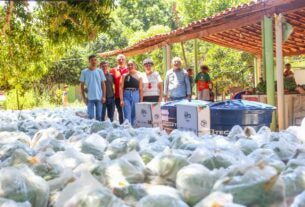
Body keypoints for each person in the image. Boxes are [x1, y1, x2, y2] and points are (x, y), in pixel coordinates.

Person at [80, 54, 106, 121]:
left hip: (99, 97)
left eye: (95, 60)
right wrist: (84, 98)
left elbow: (103, 84)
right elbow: (82, 86)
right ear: (89, 61)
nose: (94, 61)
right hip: (90, 98)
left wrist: (104, 96)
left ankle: (98, 131)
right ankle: (91, 131)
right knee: (90, 117)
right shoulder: (84, 72)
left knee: (99, 116)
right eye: (92, 60)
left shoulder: (100, 71)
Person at [120, 60, 143, 125]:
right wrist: (121, 100)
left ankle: (133, 130)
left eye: (131, 65)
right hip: (126, 95)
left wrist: (141, 100)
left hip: (136, 94)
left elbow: (141, 89)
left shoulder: (139, 76)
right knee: (127, 113)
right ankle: (127, 129)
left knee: (134, 114)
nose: (130, 66)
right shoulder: (124, 76)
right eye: (128, 65)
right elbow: (121, 88)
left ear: (135, 66)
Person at [111, 54, 128, 124]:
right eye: (119, 60)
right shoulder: (113, 70)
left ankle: (129, 126)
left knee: (127, 112)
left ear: (125, 60)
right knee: (120, 112)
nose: (121, 61)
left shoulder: (128, 69)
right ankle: (122, 126)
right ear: (116, 61)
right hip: (117, 95)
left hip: (127, 94)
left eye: (122, 59)